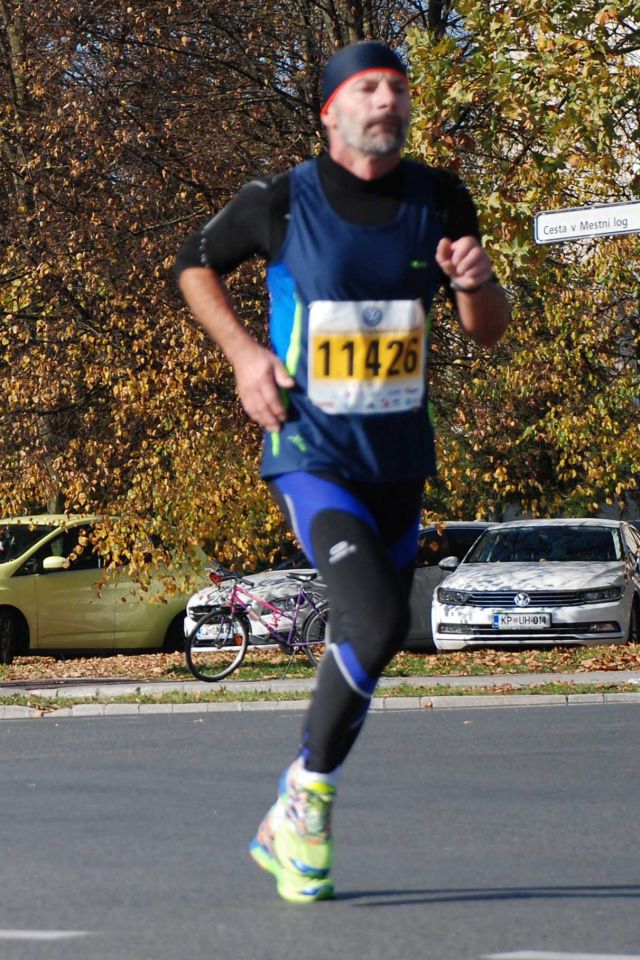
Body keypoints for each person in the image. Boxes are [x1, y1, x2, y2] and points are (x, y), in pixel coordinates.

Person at [175, 40, 510, 903]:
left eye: (398, 87)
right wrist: (246, 356)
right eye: (367, 87)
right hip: (309, 450)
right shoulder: (283, 201)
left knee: (372, 636)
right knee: (376, 619)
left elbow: (486, 328)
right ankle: (310, 801)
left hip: (397, 460)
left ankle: (292, 801)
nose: (386, 99)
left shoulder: (438, 199)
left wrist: (475, 282)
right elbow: (192, 262)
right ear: (330, 110)